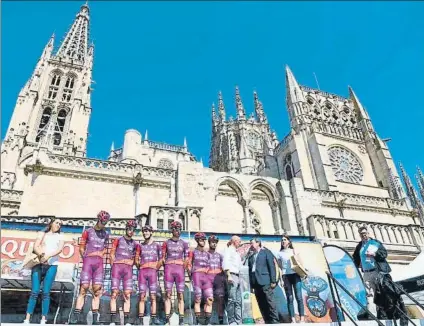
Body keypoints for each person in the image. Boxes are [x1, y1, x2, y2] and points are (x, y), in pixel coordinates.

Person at [71, 210, 111, 325]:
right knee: (83, 289)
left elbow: (105, 248)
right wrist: (86, 258)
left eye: (106, 222)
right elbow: (82, 247)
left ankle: (94, 320)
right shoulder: (88, 231)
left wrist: (100, 255)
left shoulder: (106, 234)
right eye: (102, 221)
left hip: (99, 264)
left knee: (97, 291)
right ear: (98, 219)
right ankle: (75, 318)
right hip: (88, 262)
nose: (104, 224)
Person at [23, 218, 65, 325]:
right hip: (38, 264)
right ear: (51, 223)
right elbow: (36, 246)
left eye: (60, 224)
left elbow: (60, 249)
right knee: (35, 291)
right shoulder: (42, 234)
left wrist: (49, 256)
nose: (58, 225)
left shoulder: (61, 236)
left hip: (52, 265)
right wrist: (42, 256)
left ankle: (43, 318)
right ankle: (27, 318)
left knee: (46, 292)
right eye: (57, 223)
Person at [353, 226, 391, 316]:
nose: (363, 235)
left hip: (377, 271)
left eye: (365, 233)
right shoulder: (359, 246)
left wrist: (374, 254)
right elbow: (355, 257)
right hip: (366, 272)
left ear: (368, 233)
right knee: (369, 294)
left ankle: (383, 313)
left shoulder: (375, 243)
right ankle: (372, 315)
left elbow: (384, 254)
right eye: (361, 234)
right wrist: (358, 264)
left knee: (380, 292)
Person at [161, 220, 189, 326]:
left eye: (179, 229)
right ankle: (168, 319)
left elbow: (186, 259)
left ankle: (181, 321)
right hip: (169, 269)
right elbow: (163, 258)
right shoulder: (166, 243)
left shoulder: (184, 243)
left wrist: (184, 268)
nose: (178, 231)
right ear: (172, 230)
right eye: (176, 229)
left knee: (180, 295)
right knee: (167, 295)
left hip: (180, 271)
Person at [109, 220, 138, 326]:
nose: (131, 231)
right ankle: (112, 320)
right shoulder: (118, 240)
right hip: (117, 268)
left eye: (133, 230)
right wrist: (114, 265)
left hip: (128, 270)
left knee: (127, 295)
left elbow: (136, 257)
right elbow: (111, 254)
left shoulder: (135, 244)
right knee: (114, 294)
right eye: (130, 229)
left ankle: (126, 322)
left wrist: (132, 262)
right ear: (126, 229)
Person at [247, 237, 279, 324]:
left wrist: (273, 281)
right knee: (261, 302)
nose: (251, 245)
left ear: (258, 243)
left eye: (252, 243)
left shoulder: (266, 253)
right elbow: (250, 271)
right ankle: (267, 320)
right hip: (255, 282)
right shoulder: (251, 256)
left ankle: (275, 320)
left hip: (265, 281)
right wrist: (251, 285)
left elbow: (271, 267)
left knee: (269, 301)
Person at [135, 225, 162, 325]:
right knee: (142, 296)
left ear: (151, 232)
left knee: (153, 296)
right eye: (144, 231)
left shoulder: (157, 246)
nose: (145, 233)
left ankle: (153, 319)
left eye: (147, 231)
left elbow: (161, 259)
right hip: (142, 272)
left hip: (152, 273)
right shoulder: (140, 246)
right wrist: (141, 266)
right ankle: (141, 319)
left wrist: (155, 267)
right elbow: (136, 259)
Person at [277, 234, 305, 323]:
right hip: (286, 276)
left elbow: (300, 263)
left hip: (295, 275)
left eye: (285, 239)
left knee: (299, 297)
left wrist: (303, 274)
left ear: (289, 241)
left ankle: (302, 318)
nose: (283, 241)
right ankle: (292, 319)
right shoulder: (279, 253)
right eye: (282, 240)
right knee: (290, 298)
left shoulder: (293, 251)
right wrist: (281, 279)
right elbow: (280, 268)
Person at [187, 232, 214, 325]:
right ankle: (198, 321)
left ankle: (207, 322)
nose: (203, 241)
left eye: (204, 239)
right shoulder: (192, 252)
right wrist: (191, 276)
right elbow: (189, 265)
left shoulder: (208, 254)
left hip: (207, 278)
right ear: (197, 240)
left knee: (210, 299)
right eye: (201, 239)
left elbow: (211, 266)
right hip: (197, 276)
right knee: (198, 299)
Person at [222, 235, 242, 325]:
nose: (240, 243)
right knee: (232, 299)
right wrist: (228, 275)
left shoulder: (236, 252)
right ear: (234, 241)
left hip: (238, 276)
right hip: (232, 275)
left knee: (238, 300)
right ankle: (231, 320)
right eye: (239, 241)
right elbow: (225, 262)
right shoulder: (228, 250)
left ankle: (239, 320)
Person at [207, 235, 225, 325]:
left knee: (220, 299)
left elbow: (223, 268)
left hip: (218, 279)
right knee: (208, 299)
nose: (214, 243)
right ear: (209, 243)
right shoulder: (205, 255)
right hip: (208, 279)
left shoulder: (220, 256)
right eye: (212, 242)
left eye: (215, 242)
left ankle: (221, 320)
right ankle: (208, 319)